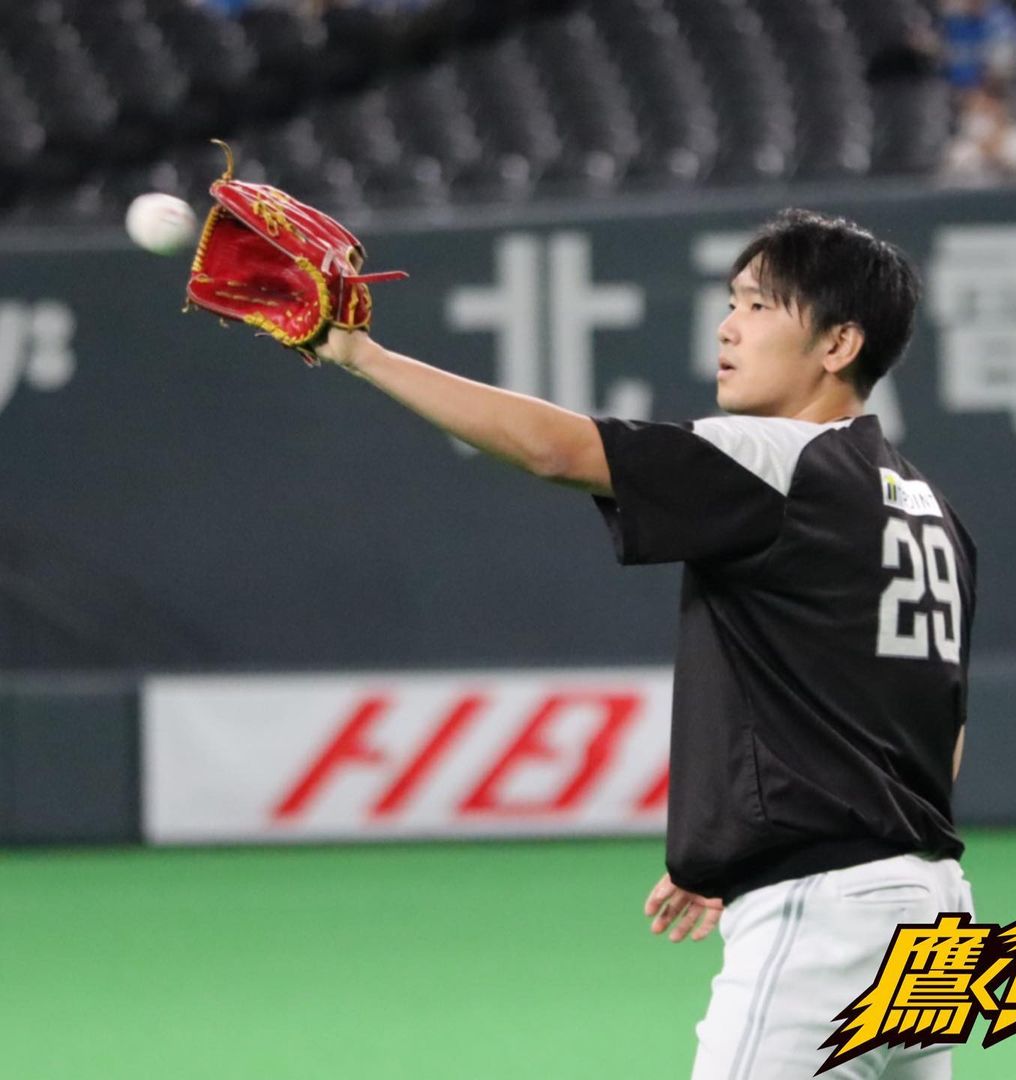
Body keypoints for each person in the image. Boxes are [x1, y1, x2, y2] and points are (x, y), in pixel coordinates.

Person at [314, 208, 977, 1078]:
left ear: (838, 343)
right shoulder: (928, 508)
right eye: (731, 302)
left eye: (760, 305)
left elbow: (556, 451)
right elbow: (942, 736)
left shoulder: (777, 459)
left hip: (826, 923)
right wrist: (749, 835)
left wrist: (360, 353)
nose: (728, 326)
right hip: (935, 914)